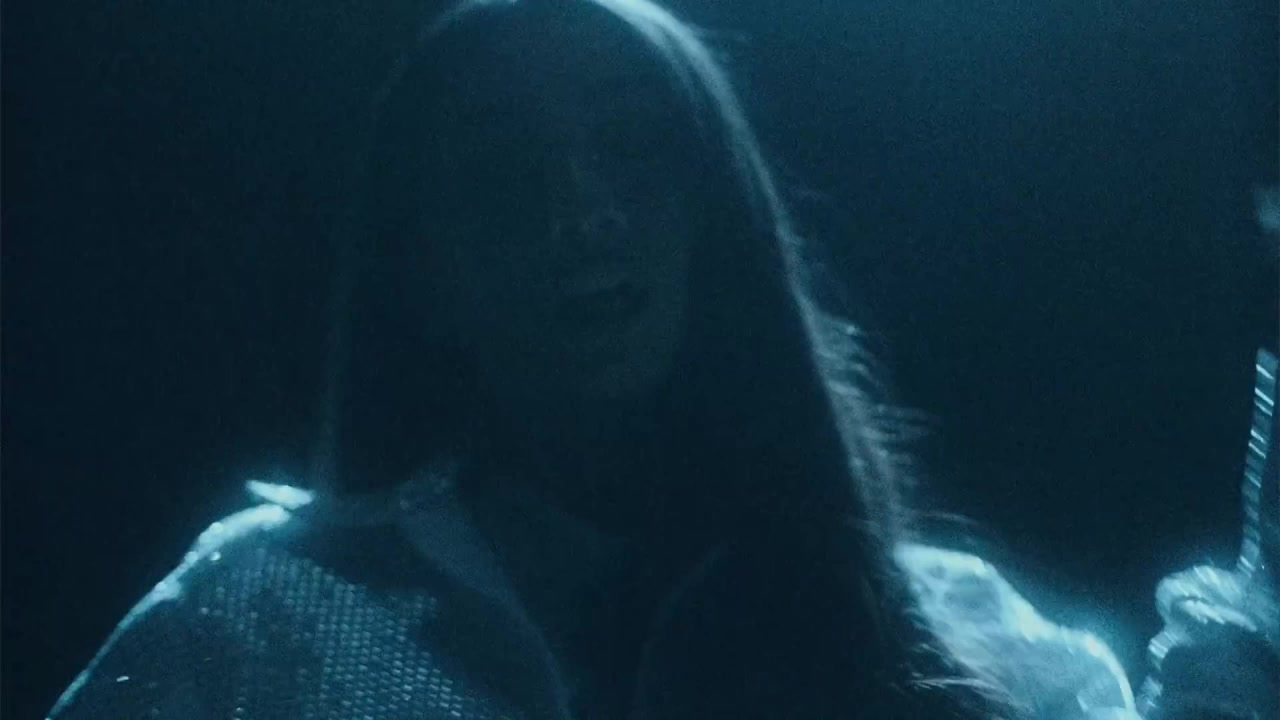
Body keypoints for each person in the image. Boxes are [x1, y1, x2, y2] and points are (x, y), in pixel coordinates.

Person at [45, 0, 1134, 718]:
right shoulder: (260, 618)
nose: (580, 212)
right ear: (420, 271)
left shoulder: (959, 637)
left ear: (716, 219)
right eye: (502, 170)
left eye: (630, 144)